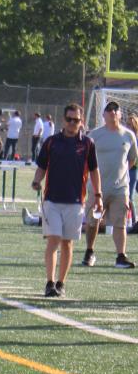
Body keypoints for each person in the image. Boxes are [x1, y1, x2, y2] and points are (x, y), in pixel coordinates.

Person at [32, 103, 102, 297]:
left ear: (81, 121)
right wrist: (36, 181)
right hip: (52, 200)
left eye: (76, 120)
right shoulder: (51, 142)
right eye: (69, 119)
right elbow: (42, 166)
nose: (72, 123)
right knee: (53, 240)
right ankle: (49, 283)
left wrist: (98, 195)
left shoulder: (88, 144)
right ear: (63, 120)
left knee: (67, 243)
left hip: (76, 201)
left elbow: (94, 171)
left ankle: (61, 283)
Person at [80, 101, 137, 269]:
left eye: (116, 110)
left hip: (120, 189)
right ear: (103, 115)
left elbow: (132, 159)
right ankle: (89, 251)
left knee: (120, 223)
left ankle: (121, 256)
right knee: (93, 222)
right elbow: (84, 159)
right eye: (109, 109)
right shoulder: (94, 135)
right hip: (97, 189)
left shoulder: (129, 135)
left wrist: (120, 176)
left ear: (120, 114)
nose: (113, 112)